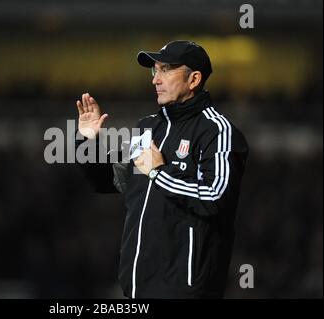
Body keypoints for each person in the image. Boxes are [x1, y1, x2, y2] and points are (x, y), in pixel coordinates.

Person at [74, 40, 249, 298]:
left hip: (184, 291)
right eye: (154, 71)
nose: (155, 79)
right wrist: (88, 142)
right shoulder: (146, 127)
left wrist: (159, 174)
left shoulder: (217, 131)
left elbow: (215, 196)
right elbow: (111, 182)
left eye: (165, 70)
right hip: (137, 289)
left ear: (194, 79)